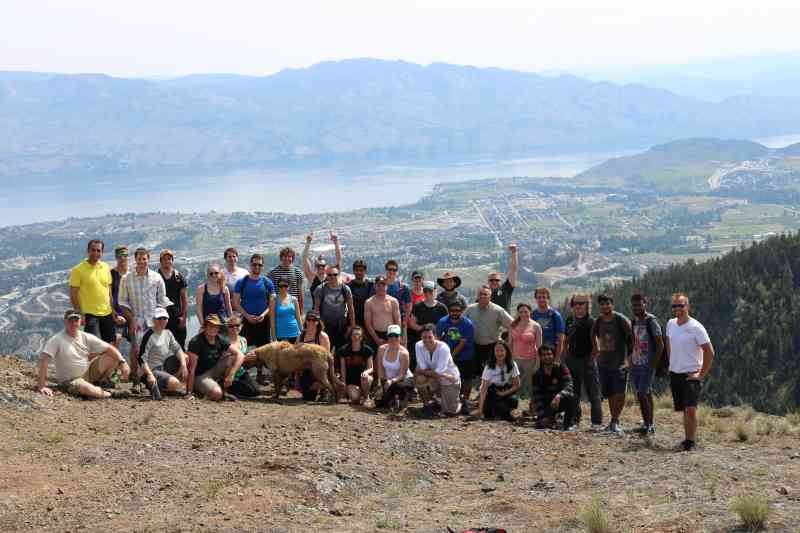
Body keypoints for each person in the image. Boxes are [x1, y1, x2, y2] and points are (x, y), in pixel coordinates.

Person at [36, 309, 130, 399]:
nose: (73, 323)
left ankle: (103, 382)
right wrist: (42, 386)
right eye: (70, 320)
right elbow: (44, 360)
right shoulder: (56, 340)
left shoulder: (85, 336)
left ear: (81, 321)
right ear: (65, 322)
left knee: (112, 356)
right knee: (86, 388)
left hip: (87, 373)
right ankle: (110, 394)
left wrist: (123, 363)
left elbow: (109, 348)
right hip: (70, 381)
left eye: (76, 320)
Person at [666, 293, 715, 452]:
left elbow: (710, 352)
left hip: (691, 374)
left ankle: (690, 442)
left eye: (681, 305)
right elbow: (668, 343)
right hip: (675, 373)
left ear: (688, 306)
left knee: (690, 409)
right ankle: (687, 440)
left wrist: (700, 375)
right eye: (674, 306)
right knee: (684, 409)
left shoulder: (696, 327)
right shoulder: (670, 324)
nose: (677, 308)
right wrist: (671, 363)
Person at [119, 247, 172, 391]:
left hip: (153, 320)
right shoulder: (126, 278)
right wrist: (131, 320)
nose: (142, 261)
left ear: (148, 259)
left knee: (155, 350)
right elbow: (122, 302)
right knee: (136, 350)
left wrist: (161, 319)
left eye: (144, 259)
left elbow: (162, 300)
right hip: (136, 321)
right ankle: (136, 381)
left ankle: (154, 380)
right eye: (139, 259)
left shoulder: (157, 277)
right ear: (135, 259)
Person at [590, 294, 634, 434]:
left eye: (607, 303)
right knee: (609, 393)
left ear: (612, 304)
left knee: (619, 392)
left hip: (620, 363)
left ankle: (615, 421)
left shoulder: (620, 319)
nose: (605, 306)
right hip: (604, 363)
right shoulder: (599, 320)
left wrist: (629, 358)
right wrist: (596, 349)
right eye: (602, 304)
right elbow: (592, 334)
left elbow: (632, 339)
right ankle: (612, 422)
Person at [563, 294, 603, 428]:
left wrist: (591, 360)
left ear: (587, 305)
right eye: (576, 303)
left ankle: (596, 423)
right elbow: (566, 340)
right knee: (574, 393)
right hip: (572, 360)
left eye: (582, 303)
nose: (578, 306)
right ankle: (575, 420)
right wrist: (566, 355)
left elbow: (596, 345)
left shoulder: (592, 321)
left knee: (593, 393)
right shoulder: (569, 320)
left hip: (587, 359)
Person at [234, 254, 275, 384]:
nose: (257, 267)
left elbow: (272, 303)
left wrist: (263, 314)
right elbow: (235, 302)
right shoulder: (242, 282)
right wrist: (247, 316)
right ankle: (239, 374)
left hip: (263, 321)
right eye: (254, 264)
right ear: (250, 265)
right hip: (246, 321)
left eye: (259, 265)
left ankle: (260, 374)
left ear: (262, 266)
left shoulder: (267, 282)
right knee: (242, 347)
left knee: (263, 348)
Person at [69, 239, 117, 344]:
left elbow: (109, 291)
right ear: (88, 251)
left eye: (98, 250)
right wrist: (79, 313)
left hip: (107, 313)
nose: (95, 253)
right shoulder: (78, 270)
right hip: (90, 315)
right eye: (93, 250)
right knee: (93, 346)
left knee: (109, 345)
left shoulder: (105, 267)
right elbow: (73, 294)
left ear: (102, 252)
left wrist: (113, 310)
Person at [185, 314, 243, 401]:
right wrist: (189, 392)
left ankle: (224, 389)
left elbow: (240, 354)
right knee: (217, 394)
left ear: (219, 328)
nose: (213, 328)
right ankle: (198, 389)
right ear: (205, 327)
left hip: (214, 370)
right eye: (210, 326)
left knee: (232, 357)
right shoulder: (196, 342)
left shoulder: (219, 338)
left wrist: (231, 375)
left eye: (216, 326)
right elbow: (191, 369)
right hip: (200, 375)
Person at [630, 293, 665, 435]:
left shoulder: (651, 321)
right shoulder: (634, 321)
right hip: (636, 362)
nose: (637, 307)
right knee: (646, 393)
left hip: (647, 363)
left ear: (645, 303)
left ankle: (648, 426)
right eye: (634, 305)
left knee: (642, 393)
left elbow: (660, 344)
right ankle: (648, 424)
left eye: (639, 304)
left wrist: (653, 363)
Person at [137, 307, 189, 400]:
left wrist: (184, 365)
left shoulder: (168, 333)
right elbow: (141, 359)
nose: (162, 321)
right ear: (153, 320)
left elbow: (178, 349)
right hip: (151, 370)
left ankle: (167, 386)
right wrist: (149, 374)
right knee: (175, 383)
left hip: (164, 367)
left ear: (167, 320)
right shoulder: (149, 335)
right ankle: (158, 386)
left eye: (164, 318)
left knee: (185, 357)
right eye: (159, 318)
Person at [414, 324, 462, 417]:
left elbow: (436, 372)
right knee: (419, 379)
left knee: (450, 412)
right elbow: (424, 368)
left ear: (435, 337)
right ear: (421, 337)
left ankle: (461, 403)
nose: (427, 340)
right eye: (424, 337)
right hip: (436, 376)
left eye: (430, 337)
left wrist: (423, 372)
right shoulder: (418, 345)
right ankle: (427, 406)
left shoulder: (444, 348)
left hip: (449, 379)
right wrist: (424, 373)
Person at [436, 301, 475, 409]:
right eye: (452, 311)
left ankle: (465, 401)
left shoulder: (468, 324)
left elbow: (462, 343)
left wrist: (451, 357)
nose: (454, 313)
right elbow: (438, 339)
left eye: (457, 310)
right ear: (449, 311)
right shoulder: (442, 322)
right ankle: (450, 400)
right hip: (448, 354)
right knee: (449, 378)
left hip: (465, 355)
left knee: (466, 379)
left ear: (462, 311)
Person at [464, 285, 513, 371]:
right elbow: (461, 324)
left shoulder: (498, 310)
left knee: (492, 372)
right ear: (477, 296)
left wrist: (508, 342)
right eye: (480, 294)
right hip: (474, 346)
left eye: (485, 294)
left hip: (492, 347)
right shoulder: (469, 309)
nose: (482, 296)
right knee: (475, 372)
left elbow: (512, 325)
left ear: (490, 297)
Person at [530, 344, 576, 430]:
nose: (547, 357)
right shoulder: (537, 375)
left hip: (560, 401)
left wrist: (559, 396)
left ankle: (568, 423)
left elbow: (569, 385)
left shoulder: (561, 368)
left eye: (549, 354)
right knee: (542, 424)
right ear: (540, 357)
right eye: (543, 355)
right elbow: (537, 397)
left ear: (553, 355)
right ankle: (553, 419)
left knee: (572, 396)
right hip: (547, 405)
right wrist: (543, 416)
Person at [313, 265, 355, 353]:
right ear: (326, 275)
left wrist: (352, 326)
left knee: (341, 352)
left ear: (339, 275)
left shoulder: (345, 289)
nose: (332, 277)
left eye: (335, 274)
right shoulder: (320, 289)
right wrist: (319, 326)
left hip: (342, 326)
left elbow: (351, 309)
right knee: (325, 351)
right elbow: (316, 309)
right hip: (326, 325)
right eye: (329, 275)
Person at [407, 281, 448, 369]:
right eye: (425, 291)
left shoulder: (442, 308)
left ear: (435, 291)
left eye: (430, 291)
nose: (428, 293)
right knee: (420, 365)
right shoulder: (417, 306)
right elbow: (412, 323)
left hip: (437, 342)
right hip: (421, 342)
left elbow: (446, 326)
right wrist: (424, 330)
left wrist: (436, 336)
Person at [477, 341, 521, 421]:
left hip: (505, 389)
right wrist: (480, 409)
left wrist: (503, 393)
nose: (499, 353)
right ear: (493, 353)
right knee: (494, 410)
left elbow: (517, 385)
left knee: (514, 401)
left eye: (502, 350)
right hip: (491, 391)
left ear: (506, 351)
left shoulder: (512, 364)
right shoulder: (489, 366)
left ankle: (506, 412)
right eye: (497, 351)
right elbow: (483, 388)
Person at [374, 324, 414, 410]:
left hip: (402, 380)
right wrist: (380, 383)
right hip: (388, 380)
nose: (393, 338)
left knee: (398, 386)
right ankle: (393, 398)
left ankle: (404, 396)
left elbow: (402, 375)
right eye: (391, 336)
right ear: (387, 337)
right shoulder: (381, 349)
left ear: (400, 337)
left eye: (396, 336)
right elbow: (380, 369)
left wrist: (391, 381)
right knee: (380, 404)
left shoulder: (404, 353)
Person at [508, 302, 542, 400]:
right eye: (521, 312)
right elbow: (509, 344)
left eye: (526, 311)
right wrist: (509, 360)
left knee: (531, 385)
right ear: (518, 313)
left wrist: (537, 363)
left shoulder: (536, 326)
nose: (523, 314)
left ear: (530, 312)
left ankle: (533, 405)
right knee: (513, 384)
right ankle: (512, 404)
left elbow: (539, 346)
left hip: (530, 360)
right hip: (515, 359)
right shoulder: (513, 325)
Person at [297, 311, 332, 401]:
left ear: (318, 322)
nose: (311, 322)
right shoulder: (301, 336)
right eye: (309, 320)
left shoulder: (323, 336)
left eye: (314, 320)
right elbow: (295, 354)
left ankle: (325, 389)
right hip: (305, 367)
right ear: (305, 321)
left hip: (319, 367)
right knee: (308, 397)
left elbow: (326, 357)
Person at [158, 249, 188, 348]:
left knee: (180, 346)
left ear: (172, 260)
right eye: (164, 259)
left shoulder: (178, 277)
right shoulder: (156, 277)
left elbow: (184, 299)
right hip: (162, 318)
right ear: (160, 261)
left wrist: (183, 318)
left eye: (169, 259)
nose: (167, 261)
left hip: (177, 317)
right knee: (164, 348)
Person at [225, 315, 260, 398]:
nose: (234, 328)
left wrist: (250, 357)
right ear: (227, 328)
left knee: (257, 391)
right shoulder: (224, 341)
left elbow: (244, 358)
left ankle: (232, 389)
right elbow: (226, 361)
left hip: (241, 371)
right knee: (250, 390)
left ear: (241, 326)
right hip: (228, 372)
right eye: (231, 326)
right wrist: (244, 358)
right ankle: (227, 387)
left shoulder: (243, 340)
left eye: (237, 325)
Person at [337, 326, 374, 405]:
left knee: (365, 377)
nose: (356, 337)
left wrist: (366, 372)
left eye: (358, 335)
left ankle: (366, 397)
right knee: (355, 398)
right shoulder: (344, 350)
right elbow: (343, 368)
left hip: (364, 379)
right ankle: (358, 393)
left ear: (362, 337)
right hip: (351, 381)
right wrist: (343, 382)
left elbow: (371, 368)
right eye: (354, 335)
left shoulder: (368, 350)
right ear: (350, 336)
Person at [364, 276, 401, 350]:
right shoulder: (369, 302)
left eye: (383, 285)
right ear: (374, 286)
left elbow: (398, 321)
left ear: (387, 286)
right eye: (378, 285)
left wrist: (395, 336)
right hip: (374, 335)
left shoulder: (393, 301)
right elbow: (368, 323)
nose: (381, 287)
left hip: (391, 334)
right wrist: (376, 339)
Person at [303, 232, 342, 301]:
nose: (321, 267)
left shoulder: (331, 276)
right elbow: (305, 258)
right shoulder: (312, 277)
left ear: (326, 267)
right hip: (316, 307)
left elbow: (338, 260)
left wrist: (336, 241)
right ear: (315, 267)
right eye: (318, 266)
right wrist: (308, 242)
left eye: (323, 266)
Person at [532, 287, 566, 361]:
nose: (541, 299)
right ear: (536, 299)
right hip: (536, 354)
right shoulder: (533, 315)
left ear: (548, 299)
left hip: (551, 354)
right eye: (539, 297)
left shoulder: (556, 315)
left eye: (544, 297)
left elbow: (561, 340)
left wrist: (557, 359)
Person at [269, 246, 305, 312]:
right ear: (281, 258)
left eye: (289, 256)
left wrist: (301, 311)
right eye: (285, 256)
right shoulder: (273, 272)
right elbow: (271, 293)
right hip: (279, 309)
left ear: (292, 258)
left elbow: (300, 294)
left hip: (293, 309)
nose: (287, 258)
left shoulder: (298, 273)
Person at [384, 259, 412, 341]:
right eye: (390, 269)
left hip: (399, 320)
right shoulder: (380, 285)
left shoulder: (402, 287)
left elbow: (409, 305)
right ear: (386, 270)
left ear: (397, 271)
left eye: (394, 270)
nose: (392, 271)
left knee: (401, 343)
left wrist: (405, 320)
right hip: (384, 320)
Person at [486, 244, 518, 311]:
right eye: (491, 280)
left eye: (497, 280)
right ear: (488, 282)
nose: (494, 282)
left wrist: (514, 252)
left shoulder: (506, 288)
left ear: (500, 281)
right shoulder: (484, 294)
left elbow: (513, 269)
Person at [270, 277, 303, 343]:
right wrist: (274, 338)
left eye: (285, 285)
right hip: (280, 335)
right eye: (281, 286)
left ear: (289, 286)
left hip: (295, 333)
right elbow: (272, 319)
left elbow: (298, 318)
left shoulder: (294, 299)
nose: (283, 288)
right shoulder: (274, 300)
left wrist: (302, 333)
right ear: (278, 287)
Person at [110, 245, 130, 348]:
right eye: (120, 256)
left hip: (130, 314)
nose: (122, 258)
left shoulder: (132, 274)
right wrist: (114, 314)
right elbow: (108, 295)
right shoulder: (111, 274)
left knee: (136, 346)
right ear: (116, 257)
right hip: (116, 315)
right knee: (115, 343)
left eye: (125, 255)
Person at [346, 259, 374, 328]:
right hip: (351, 322)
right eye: (356, 270)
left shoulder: (371, 286)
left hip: (368, 322)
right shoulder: (348, 287)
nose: (359, 272)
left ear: (365, 271)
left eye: (361, 270)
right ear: (353, 271)